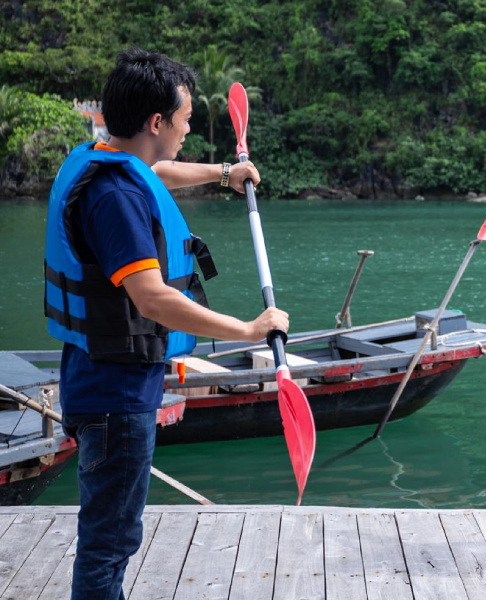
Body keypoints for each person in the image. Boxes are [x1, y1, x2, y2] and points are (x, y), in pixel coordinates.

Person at [43, 47, 289, 600]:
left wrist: (225, 174)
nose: (185, 132)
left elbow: (156, 168)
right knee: (109, 542)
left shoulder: (102, 157)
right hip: (116, 398)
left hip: (96, 377)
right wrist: (249, 329)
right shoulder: (115, 198)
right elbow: (152, 298)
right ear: (156, 121)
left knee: (108, 535)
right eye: (182, 122)